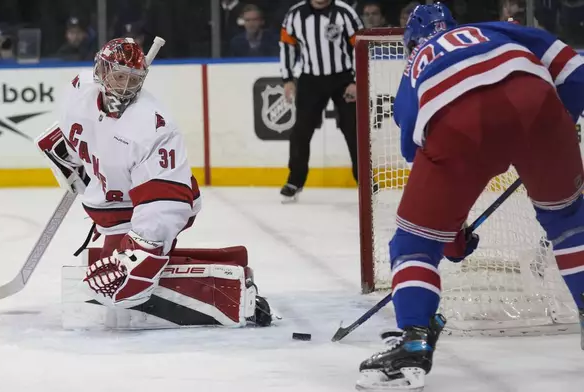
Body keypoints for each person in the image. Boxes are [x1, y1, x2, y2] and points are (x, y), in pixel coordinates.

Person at [356, 3, 584, 391]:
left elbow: (434, 173)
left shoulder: (413, 71)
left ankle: (413, 344)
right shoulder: (496, 29)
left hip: (457, 122)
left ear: (411, 44)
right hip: (538, 101)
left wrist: (451, 240)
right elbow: (574, 70)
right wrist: (561, 120)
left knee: (414, 244)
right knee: (569, 222)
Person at [36, 37, 273, 328]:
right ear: (101, 69)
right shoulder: (79, 88)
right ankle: (217, 260)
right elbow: (80, 132)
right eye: (118, 75)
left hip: (149, 204)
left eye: (131, 78)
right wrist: (72, 159)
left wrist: (141, 255)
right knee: (108, 269)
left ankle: (230, 287)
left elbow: (165, 203)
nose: (124, 85)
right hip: (113, 202)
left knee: (125, 275)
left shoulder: (153, 124)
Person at [279, 0, 363, 202]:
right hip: (310, 79)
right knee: (301, 131)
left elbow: (361, 46)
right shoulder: (295, 14)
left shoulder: (344, 12)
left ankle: (364, 182)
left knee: (354, 130)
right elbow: (286, 45)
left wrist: (356, 80)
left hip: (344, 79)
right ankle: (295, 180)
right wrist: (288, 79)